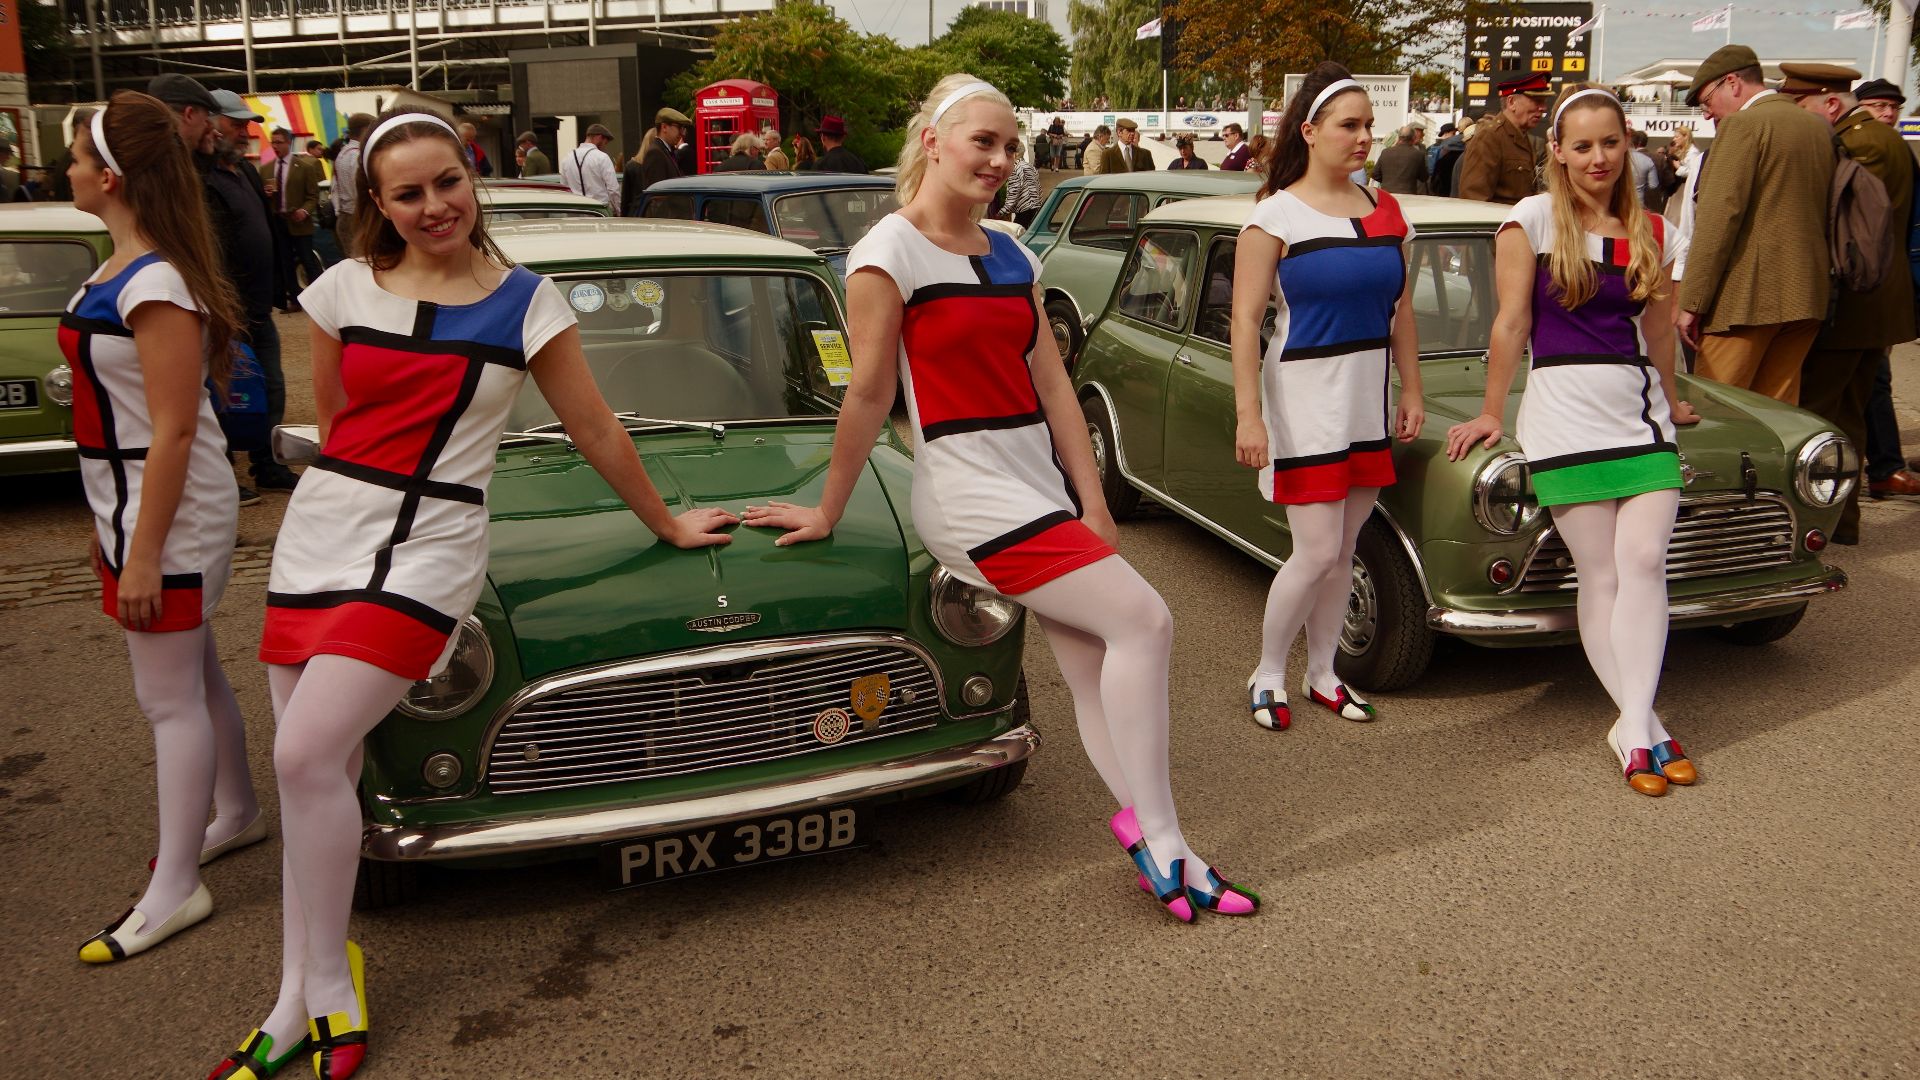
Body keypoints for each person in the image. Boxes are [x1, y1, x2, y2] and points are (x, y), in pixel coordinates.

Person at [210, 109, 738, 1080]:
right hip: (323, 534)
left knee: (303, 751)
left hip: (433, 546)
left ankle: (327, 983)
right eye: (407, 193)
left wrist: (666, 523)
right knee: (312, 773)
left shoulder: (529, 303)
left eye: (447, 182)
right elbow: (338, 421)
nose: (433, 206)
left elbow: (595, 427)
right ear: (378, 203)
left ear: (472, 178)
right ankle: (296, 995)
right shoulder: (338, 289)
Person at [742, 74, 1258, 923]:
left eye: (1011, 145)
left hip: (1037, 485)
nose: (1000, 158)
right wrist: (827, 508)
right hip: (968, 493)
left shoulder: (1013, 253)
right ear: (933, 141)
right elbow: (868, 394)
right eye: (983, 140)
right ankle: (1167, 840)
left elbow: (1053, 384)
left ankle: (1151, 837)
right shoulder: (886, 253)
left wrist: (1094, 502)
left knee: (1092, 664)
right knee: (1146, 621)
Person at [1446, 85, 1700, 798]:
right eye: (1582, 145)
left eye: (1610, 143)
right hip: (1562, 416)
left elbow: (1658, 332)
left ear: (1628, 145)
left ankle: (1634, 724)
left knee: (1644, 561)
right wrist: (1492, 411)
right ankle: (1643, 730)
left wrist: (1674, 397)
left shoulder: (1658, 231)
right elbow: (1511, 323)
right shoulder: (1529, 219)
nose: (1598, 158)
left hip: (1640, 416)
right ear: (1556, 150)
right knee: (1602, 576)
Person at [63, 92, 265, 969]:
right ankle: (237, 812)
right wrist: (113, 529)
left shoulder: (152, 283)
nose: (67, 170)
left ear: (110, 177)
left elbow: (176, 430)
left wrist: (142, 551)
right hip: (136, 505)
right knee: (192, 673)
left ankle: (177, 884)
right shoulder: (125, 270)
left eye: (78, 158)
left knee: (167, 698)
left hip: (167, 513)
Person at [1230, 62, 1424, 733]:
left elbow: (1401, 310)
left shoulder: (1388, 212)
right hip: (1303, 401)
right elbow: (1244, 321)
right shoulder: (1275, 215)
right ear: (1310, 132)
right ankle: (1266, 671)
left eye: (1370, 125)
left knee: (1343, 552)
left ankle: (1323, 673)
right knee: (1314, 553)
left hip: (1366, 399)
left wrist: (1412, 389)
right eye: (1350, 125)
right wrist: (1249, 414)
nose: (1365, 137)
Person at [1781, 63, 1920, 538]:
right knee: (1850, 414)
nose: (1800, 118)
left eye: (1802, 106)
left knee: (1819, 414)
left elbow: (1844, 227)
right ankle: (1842, 522)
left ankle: (1821, 519)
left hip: (1854, 304)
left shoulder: (1857, 143)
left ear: (1830, 103)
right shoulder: (1880, 138)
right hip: (1876, 304)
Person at [1676, 45, 1835, 405]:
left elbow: (1718, 220)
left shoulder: (1742, 125)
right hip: (1805, 296)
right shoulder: (1815, 126)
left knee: (1718, 411)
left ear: (1732, 83)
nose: (1706, 113)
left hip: (1744, 301)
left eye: (1706, 101)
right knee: (1777, 415)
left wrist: (1691, 303)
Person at [203, 87, 301, 496]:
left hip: (258, 308)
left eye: (247, 125)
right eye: (236, 123)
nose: (244, 132)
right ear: (210, 123)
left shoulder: (243, 170)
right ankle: (222, 474)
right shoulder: (201, 177)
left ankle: (268, 464)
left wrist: (280, 288)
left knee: (270, 388)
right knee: (222, 396)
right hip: (227, 311)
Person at [1458, 73, 1550, 204]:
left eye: (1544, 101)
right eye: (1536, 101)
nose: (1543, 108)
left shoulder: (1521, 136)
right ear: (1511, 102)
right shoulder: (1489, 138)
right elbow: (1473, 201)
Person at [261, 127, 324, 303]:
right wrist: (265, 194)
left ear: (289, 142)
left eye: (279, 142)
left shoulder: (304, 167)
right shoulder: (265, 169)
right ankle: (294, 299)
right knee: (285, 263)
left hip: (299, 222)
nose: (275, 146)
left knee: (308, 261)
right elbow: (260, 196)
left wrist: (304, 211)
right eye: (273, 142)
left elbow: (313, 196)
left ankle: (318, 300)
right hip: (278, 222)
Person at [622, 107, 688, 215]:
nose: (682, 133)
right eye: (679, 127)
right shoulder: (655, 153)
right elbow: (657, 199)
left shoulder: (666, 151)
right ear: (664, 127)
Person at [331, 114, 373, 257]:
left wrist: (338, 211)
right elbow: (359, 190)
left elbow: (334, 187)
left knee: (355, 261)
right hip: (357, 218)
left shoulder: (342, 153)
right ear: (365, 130)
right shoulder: (357, 156)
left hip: (345, 215)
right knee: (364, 261)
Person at [560, 123, 618, 210]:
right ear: (599, 137)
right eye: (605, 143)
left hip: (575, 212)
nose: (604, 147)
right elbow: (613, 190)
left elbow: (564, 189)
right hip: (599, 211)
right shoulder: (602, 157)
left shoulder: (566, 158)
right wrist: (619, 210)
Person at [1375, 123, 1428, 194]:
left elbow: (1375, 174)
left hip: (1388, 194)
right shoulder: (1418, 154)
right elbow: (1424, 177)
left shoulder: (1386, 152)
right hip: (1408, 194)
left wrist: (1388, 181)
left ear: (1399, 137)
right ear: (1413, 138)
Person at [1004, 138, 1041, 224]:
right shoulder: (1030, 166)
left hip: (1023, 207)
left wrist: (1003, 211)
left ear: (1015, 154)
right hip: (1034, 206)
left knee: (1019, 228)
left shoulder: (1015, 169)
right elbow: (1038, 187)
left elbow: (1013, 193)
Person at [1430, 121, 1467, 197]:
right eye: (1453, 133)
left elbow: (1433, 172)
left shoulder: (1435, 149)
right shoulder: (1464, 150)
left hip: (1443, 191)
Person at [1628, 128, 1660, 208]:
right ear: (1638, 143)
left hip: (1617, 203)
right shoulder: (1647, 160)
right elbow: (1653, 185)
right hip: (1639, 202)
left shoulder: (1616, 159)